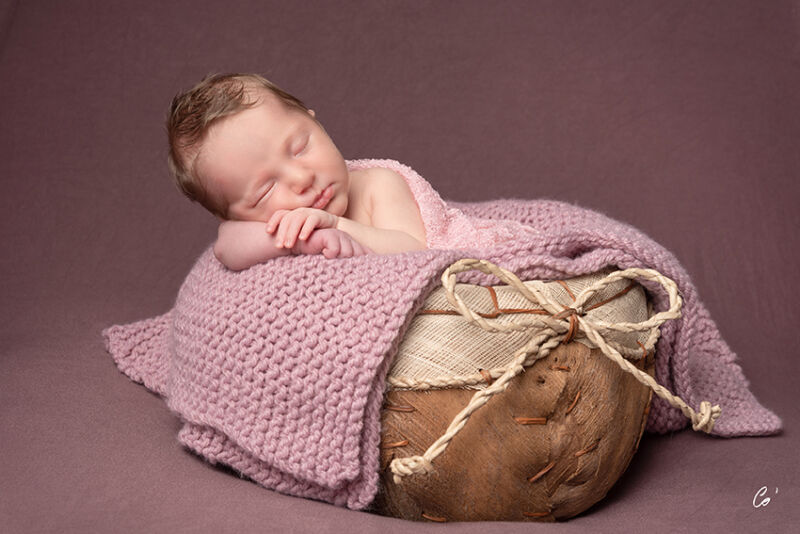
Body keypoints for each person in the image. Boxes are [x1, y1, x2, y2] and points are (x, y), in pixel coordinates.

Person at [166, 73, 427, 271]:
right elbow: (226, 248)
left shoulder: (377, 184)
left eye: (300, 148)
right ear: (231, 216)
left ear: (314, 120)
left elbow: (415, 251)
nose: (301, 179)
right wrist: (302, 241)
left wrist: (336, 225)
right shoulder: (267, 227)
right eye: (266, 190)